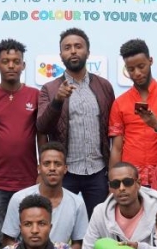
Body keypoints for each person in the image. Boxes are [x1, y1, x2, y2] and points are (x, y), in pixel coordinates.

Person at [37, 27, 115, 218]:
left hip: (98, 172)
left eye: (78, 46)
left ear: (87, 51)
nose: (73, 51)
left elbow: (112, 129)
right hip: (65, 172)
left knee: (98, 228)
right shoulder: (49, 88)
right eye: (67, 47)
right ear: (61, 54)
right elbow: (41, 127)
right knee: (57, 225)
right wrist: (57, 101)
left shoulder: (104, 86)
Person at [0, 38, 43, 249]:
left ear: (24, 65)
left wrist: (41, 170)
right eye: (6, 61)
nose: (11, 65)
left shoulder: (35, 95)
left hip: (28, 181)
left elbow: (42, 137)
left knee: (29, 237)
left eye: (16, 61)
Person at [109, 38, 157, 187]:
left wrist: (156, 124)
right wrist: (112, 183)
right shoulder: (120, 103)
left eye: (141, 66)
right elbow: (117, 148)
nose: (137, 73)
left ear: (150, 61)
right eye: (131, 69)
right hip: (129, 179)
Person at [1, 142, 88, 249]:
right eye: (47, 164)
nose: (52, 168)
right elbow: (8, 240)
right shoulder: (19, 198)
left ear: (65, 168)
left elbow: (79, 243)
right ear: (39, 168)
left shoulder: (77, 203)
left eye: (57, 164)